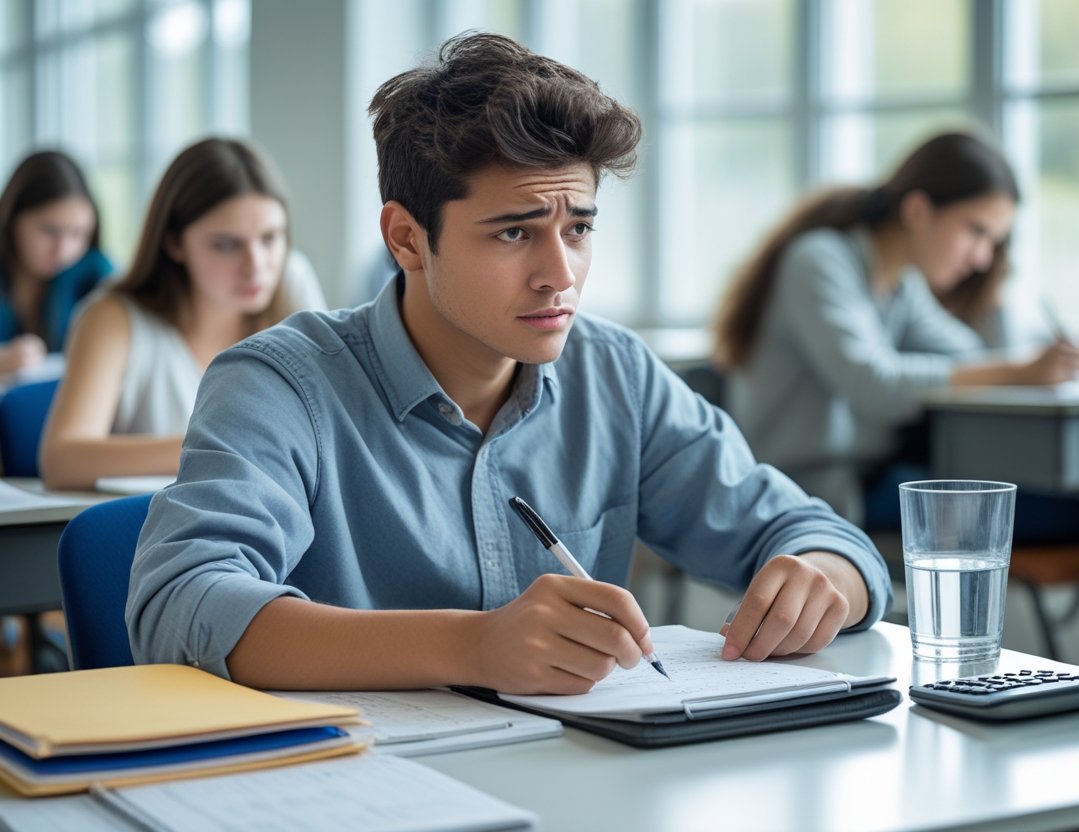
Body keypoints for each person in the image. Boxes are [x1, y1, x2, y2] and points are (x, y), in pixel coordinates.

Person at [126, 33, 892, 695]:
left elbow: (812, 533)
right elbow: (182, 602)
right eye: (514, 234)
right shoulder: (279, 383)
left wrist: (823, 575)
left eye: (579, 228)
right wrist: (473, 646)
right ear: (406, 239)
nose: (559, 273)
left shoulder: (616, 374)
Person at [713, 131, 1079, 547]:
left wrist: (996, 286)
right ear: (918, 210)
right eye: (976, 232)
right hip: (815, 490)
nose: (981, 257)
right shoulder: (819, 261)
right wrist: (1020, 371)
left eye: (994, 243)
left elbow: (972, 357)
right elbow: (873, 383)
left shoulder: (902, 285)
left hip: (875, 477)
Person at [39, 137, 325, 491]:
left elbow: (328, 426)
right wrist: (218, 445)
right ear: (174, 243)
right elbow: (62, 460)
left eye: (270, 238)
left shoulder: (291, 279)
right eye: (227, 244)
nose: (257, 266)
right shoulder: (113, 317)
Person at [0, 150, 115, 374]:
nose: (62, 250)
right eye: (49, 230)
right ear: (12, 218)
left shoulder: (97, 275)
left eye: (77, 233)